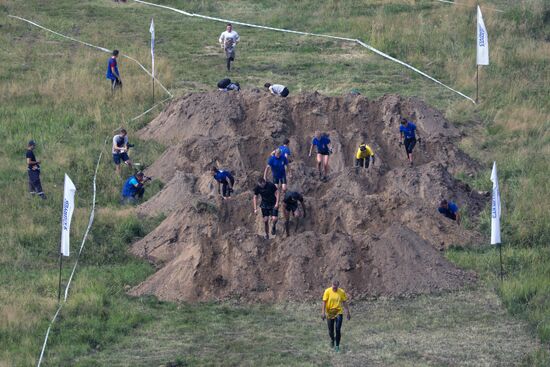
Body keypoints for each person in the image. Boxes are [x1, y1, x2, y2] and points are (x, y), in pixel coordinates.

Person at [321, 280, 351, 352]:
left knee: (338, 329)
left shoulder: (341, 292)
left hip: (338, 312)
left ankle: (337, 346)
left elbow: (344, 302)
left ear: (338, 286)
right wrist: (323, 312)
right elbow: (324, 302)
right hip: (330, 313)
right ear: (332, 285)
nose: (334, 288)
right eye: (333, 287)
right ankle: (332, 339)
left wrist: (348, 312)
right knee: (331, 330)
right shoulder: (327, 291)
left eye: (336, 287)